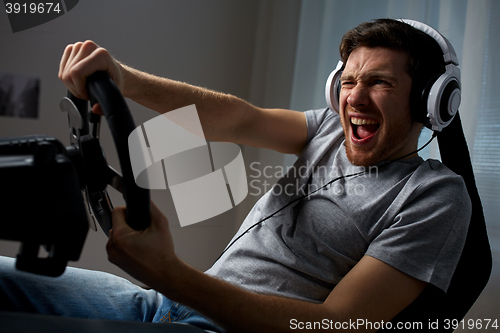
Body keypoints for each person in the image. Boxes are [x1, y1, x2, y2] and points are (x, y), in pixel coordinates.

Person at [0, 18, 471, 332]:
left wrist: (169, 272)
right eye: (348, 81)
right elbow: (237, 119)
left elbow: (336, 323)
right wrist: (124, 78)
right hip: (162, 304)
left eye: (380, 82)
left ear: (429, 100)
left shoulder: (435, 196)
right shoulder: (330, 127)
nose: (355, 98)